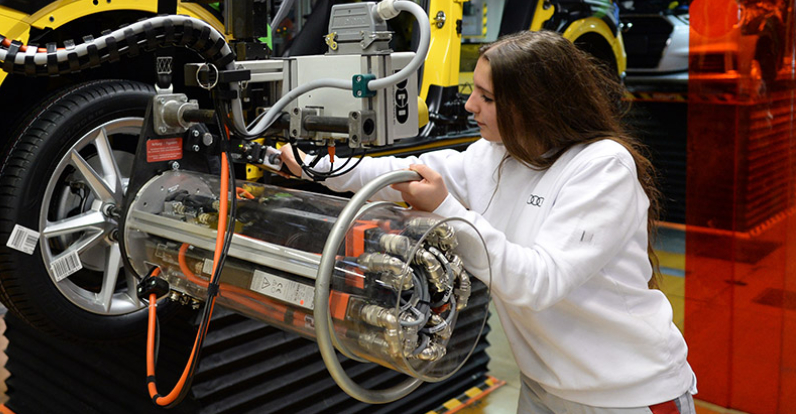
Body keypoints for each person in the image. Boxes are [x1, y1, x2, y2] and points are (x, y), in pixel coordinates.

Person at [281, 30, 696, 414]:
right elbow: (403, 174)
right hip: (544, 385)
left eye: (487, 97)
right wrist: (312, 167)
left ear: (534, 105)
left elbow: (537, 281)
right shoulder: (495, 154)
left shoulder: (602, 167)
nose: (469, 105)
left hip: (626, 393)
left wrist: (446, 208)